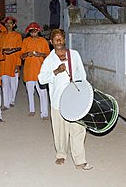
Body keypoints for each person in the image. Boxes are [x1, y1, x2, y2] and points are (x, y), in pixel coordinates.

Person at [38, 29, 93, 170]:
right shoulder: (49, 60)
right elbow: (41, 79)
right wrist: (56, 71)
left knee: (78, 129)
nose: (58, 41)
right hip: (58, 101)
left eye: (60, 38)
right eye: (55, 39)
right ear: (51, 42)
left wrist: (83, 94)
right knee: (60, 131)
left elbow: (82, 75)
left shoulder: (74, 55)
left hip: (75, 99)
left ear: (64, 40)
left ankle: (80, 159)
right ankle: (61, 154)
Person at [21, 22, 50, 119]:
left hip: (40, 71)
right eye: (31, 32)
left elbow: (48, 55)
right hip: (29, 71)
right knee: (30, 92)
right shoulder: (25, 41)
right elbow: (21, 55)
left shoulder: (43, 41)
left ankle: (44, 113)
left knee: (43, 93)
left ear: (38, 31)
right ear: (29, 32)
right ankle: (32, 110)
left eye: (35, 32)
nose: (33, 33)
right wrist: (27, 54)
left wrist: (39, 54)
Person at [0, 17, 22, 110]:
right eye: (7, 23)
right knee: (5, 84)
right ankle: (6, 103)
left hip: (13, 62)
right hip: (3, 62)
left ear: (14, 25)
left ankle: (12, 100)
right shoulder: (1, 35)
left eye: (10, 23)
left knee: (14, 84)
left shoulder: (17, 36)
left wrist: (18, 64)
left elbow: (19, 51)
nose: (8, 25)